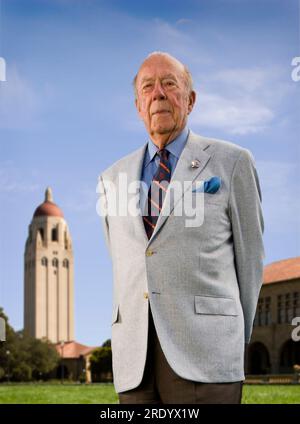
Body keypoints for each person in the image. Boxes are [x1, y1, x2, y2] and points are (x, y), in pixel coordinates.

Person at [97, 51, 265, 404]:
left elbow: (250, 264)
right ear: (138, 105)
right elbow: (124, 261)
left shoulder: (232, 163)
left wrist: (230, 336)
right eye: (148, 87)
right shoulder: (111, 178)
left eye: (169, 84)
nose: (158, 93)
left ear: (190, 100)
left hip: (207, 360)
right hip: (135, 365)